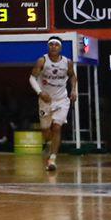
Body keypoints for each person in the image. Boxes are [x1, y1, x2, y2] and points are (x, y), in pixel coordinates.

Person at [29, 37, 76, 172]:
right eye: (51, 44)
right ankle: (48, 143)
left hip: (61, 100)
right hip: (45, 100)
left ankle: (52, 159)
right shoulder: (42, 61)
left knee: (56, 127)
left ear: (60, 48)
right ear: (48, 47)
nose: (54, 46)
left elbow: (72, 76)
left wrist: (73, 90)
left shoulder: (67, 62)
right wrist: (40, 92)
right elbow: (32, 78)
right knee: (45, 130)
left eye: (56, 45)